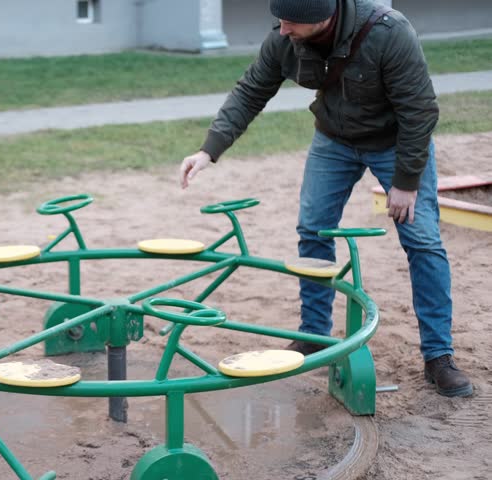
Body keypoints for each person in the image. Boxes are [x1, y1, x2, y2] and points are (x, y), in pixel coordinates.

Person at [179, 0, 473, 397]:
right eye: (280, 20)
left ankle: (439, 356)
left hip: (395, 144)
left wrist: (406, 181)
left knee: (422, 240)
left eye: (290, 22)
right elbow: (251, 91)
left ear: (324, 18)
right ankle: (314, 335)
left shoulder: (389, 33)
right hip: (334, 140)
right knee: (313, 229)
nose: (282, 29)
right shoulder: (285, 38)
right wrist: (209, 150)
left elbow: (420, 110)